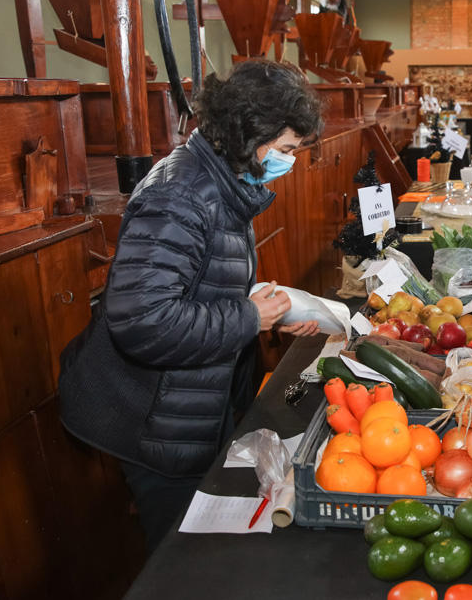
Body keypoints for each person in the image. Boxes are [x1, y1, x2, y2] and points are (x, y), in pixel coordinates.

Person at [59, 59, 326, 551]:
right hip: (152, 417)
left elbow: (192, 281)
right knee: (181, 557)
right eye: (287, 149)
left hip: (189, 400)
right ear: (252, 134)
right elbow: (143, 320)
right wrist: (247, 317)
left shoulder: (223, 176)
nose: (290, 161)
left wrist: (265, 313)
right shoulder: (181, 193)